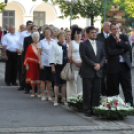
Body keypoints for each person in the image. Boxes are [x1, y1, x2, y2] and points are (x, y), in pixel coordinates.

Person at [79, 26, 106, 117]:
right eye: (92, 32)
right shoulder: (83, 44)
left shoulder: (100, 43)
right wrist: (93, 65)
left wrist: (100, 65)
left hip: (98, 71)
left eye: (95, 32)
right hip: (87, 71)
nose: (94, 34)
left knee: (97, 91)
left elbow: (103, 56)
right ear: (87, 34)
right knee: (87, 91)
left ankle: (95, 107)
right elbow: (83, 56)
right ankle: (87, 108)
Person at [105, 22, 133, 106]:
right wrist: (121, 50)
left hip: (124, 67)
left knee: (127, 88)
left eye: (117, 29)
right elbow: (109, 52)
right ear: (110, 30)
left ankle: (130, 106)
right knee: (113, 89)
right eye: (114, 29)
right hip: (113, 68)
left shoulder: (124, 37)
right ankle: (114, 107)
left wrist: (119, 41)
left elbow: (128, 48)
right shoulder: (107, 40)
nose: (116, 31)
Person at [50, 31, 68, 106]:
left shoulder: (67, 46)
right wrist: (52, 66)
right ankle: (56, 99)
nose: (62, 38)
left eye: (63, 37)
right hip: (57, 65)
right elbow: (52, 56)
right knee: (57, 83)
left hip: (65, 66)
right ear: (58, 38)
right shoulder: (54, 45)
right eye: (60, 37)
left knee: (64, 83)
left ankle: (63, 98)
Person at [38, 26, 55, 101]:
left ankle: (48, 95)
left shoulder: (54, 42)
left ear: (51, 33)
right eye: (46, 32)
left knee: (49, 80)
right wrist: (40, 63)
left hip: (51, 63)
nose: (47, 33)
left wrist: (53, 64)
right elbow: (39, 53)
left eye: (49, 32)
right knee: (42, 80)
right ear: (44, 33)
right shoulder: (41, 42)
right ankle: (43, 95)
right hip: (43, 62)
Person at [67, 26, 83, 99]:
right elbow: (69, 54)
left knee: (80, 82)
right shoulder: (72, 43)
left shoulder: (83, 43)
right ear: (74, 35)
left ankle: (80, 98)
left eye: (80, 33)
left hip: (82, 64)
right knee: (73, 81)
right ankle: (73, 98)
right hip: (74, 64)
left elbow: (86, 54)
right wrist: (75, 61)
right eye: (77, 33)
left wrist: (82, 61)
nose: (79, 35)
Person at [17, 21, 33, 91]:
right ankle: (22, 84)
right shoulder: (23, 34)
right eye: (29, 25)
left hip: (32, 53)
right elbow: (20, 43)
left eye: (31, 25)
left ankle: (31, 84)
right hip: (24, 52)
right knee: (24, 69)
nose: (30, 26)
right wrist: (21, 51)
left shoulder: (34, 34)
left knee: (31, 69)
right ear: (26, 26)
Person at [96, 21, 111, 95]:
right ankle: (101, 94)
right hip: (101, 61)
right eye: (108, 26)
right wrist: (103, 59)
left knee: (110, 79)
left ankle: (109, 94)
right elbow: (97, 49)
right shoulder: (98, 36)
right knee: (101, 78)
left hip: (111, 61)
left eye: (110, 26)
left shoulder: (112, 36)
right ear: (104, 27)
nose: (109, 27)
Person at [24, 32, 40, 97]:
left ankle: (38, 92)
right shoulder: (30, 46)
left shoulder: (41, 45)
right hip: (32, 65)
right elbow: (26, 56)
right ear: (32, 38)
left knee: (39, 78)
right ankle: (33, 92)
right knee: (32, 78)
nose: (36, 38)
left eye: (37, 37)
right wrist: (27, 65)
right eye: (35, 37)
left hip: (39, 64)